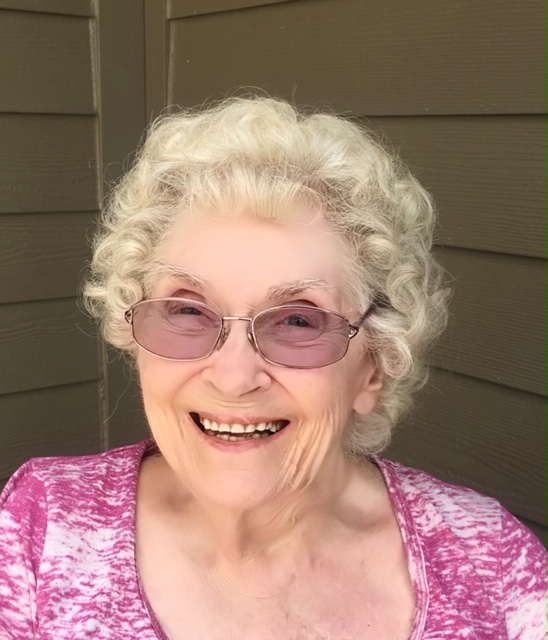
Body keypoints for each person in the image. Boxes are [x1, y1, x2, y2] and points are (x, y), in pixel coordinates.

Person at [0, 96, 546, 639]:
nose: (234, 378)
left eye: (298, 321)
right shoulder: (41, 531)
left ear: (374, 366)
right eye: (188, 311)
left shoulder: (492, 568)